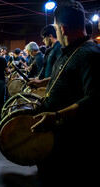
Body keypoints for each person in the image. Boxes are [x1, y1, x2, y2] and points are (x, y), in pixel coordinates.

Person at [30, 2, 100, 186]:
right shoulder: (67, 51)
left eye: (55, 28)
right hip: (54, 137)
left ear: (62, 29)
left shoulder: (90, 54)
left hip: (72, 143)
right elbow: (60, 77)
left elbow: (94, 98)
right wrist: (42, 86)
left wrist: (56, 116)